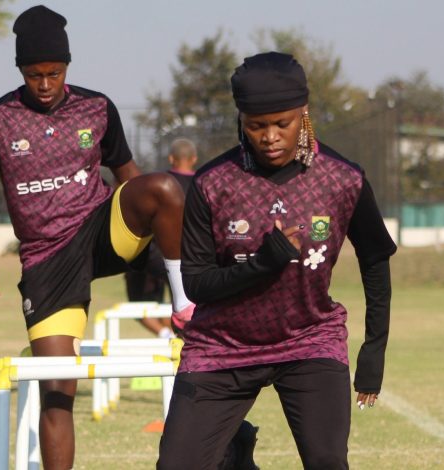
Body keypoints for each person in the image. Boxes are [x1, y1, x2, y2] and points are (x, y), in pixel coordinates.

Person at [0, 6, 193, 469]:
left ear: (68, 66)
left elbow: (128, 175)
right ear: (20, 70)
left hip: (102, 230)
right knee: (58, 391)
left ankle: (184, 302)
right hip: (47, 259)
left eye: (54, 73)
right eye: (34, 75)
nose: (44, 84)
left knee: (165, 186)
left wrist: (151, 233)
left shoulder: (97, 107)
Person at [157, 52, 397, 469]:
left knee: (326, 460)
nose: (269, 136)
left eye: (281, 123)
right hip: (221, 347)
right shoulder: (212, 184)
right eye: (256, 126)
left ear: (303, 113)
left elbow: (375, 258)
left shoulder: (343, 178)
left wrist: (373, 349)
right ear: (241, 120)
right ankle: (237, 455)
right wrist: (263, 263)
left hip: (309, 341)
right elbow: (195, 283)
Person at [124, 138, 199, 338]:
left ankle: (166, 335)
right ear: (194, 159)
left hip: (153, 254)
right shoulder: (202, 184)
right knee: (180, 304)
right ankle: (177, 337)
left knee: (140, 306)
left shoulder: (160, 184)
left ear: (171, 158)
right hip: (190, 257)